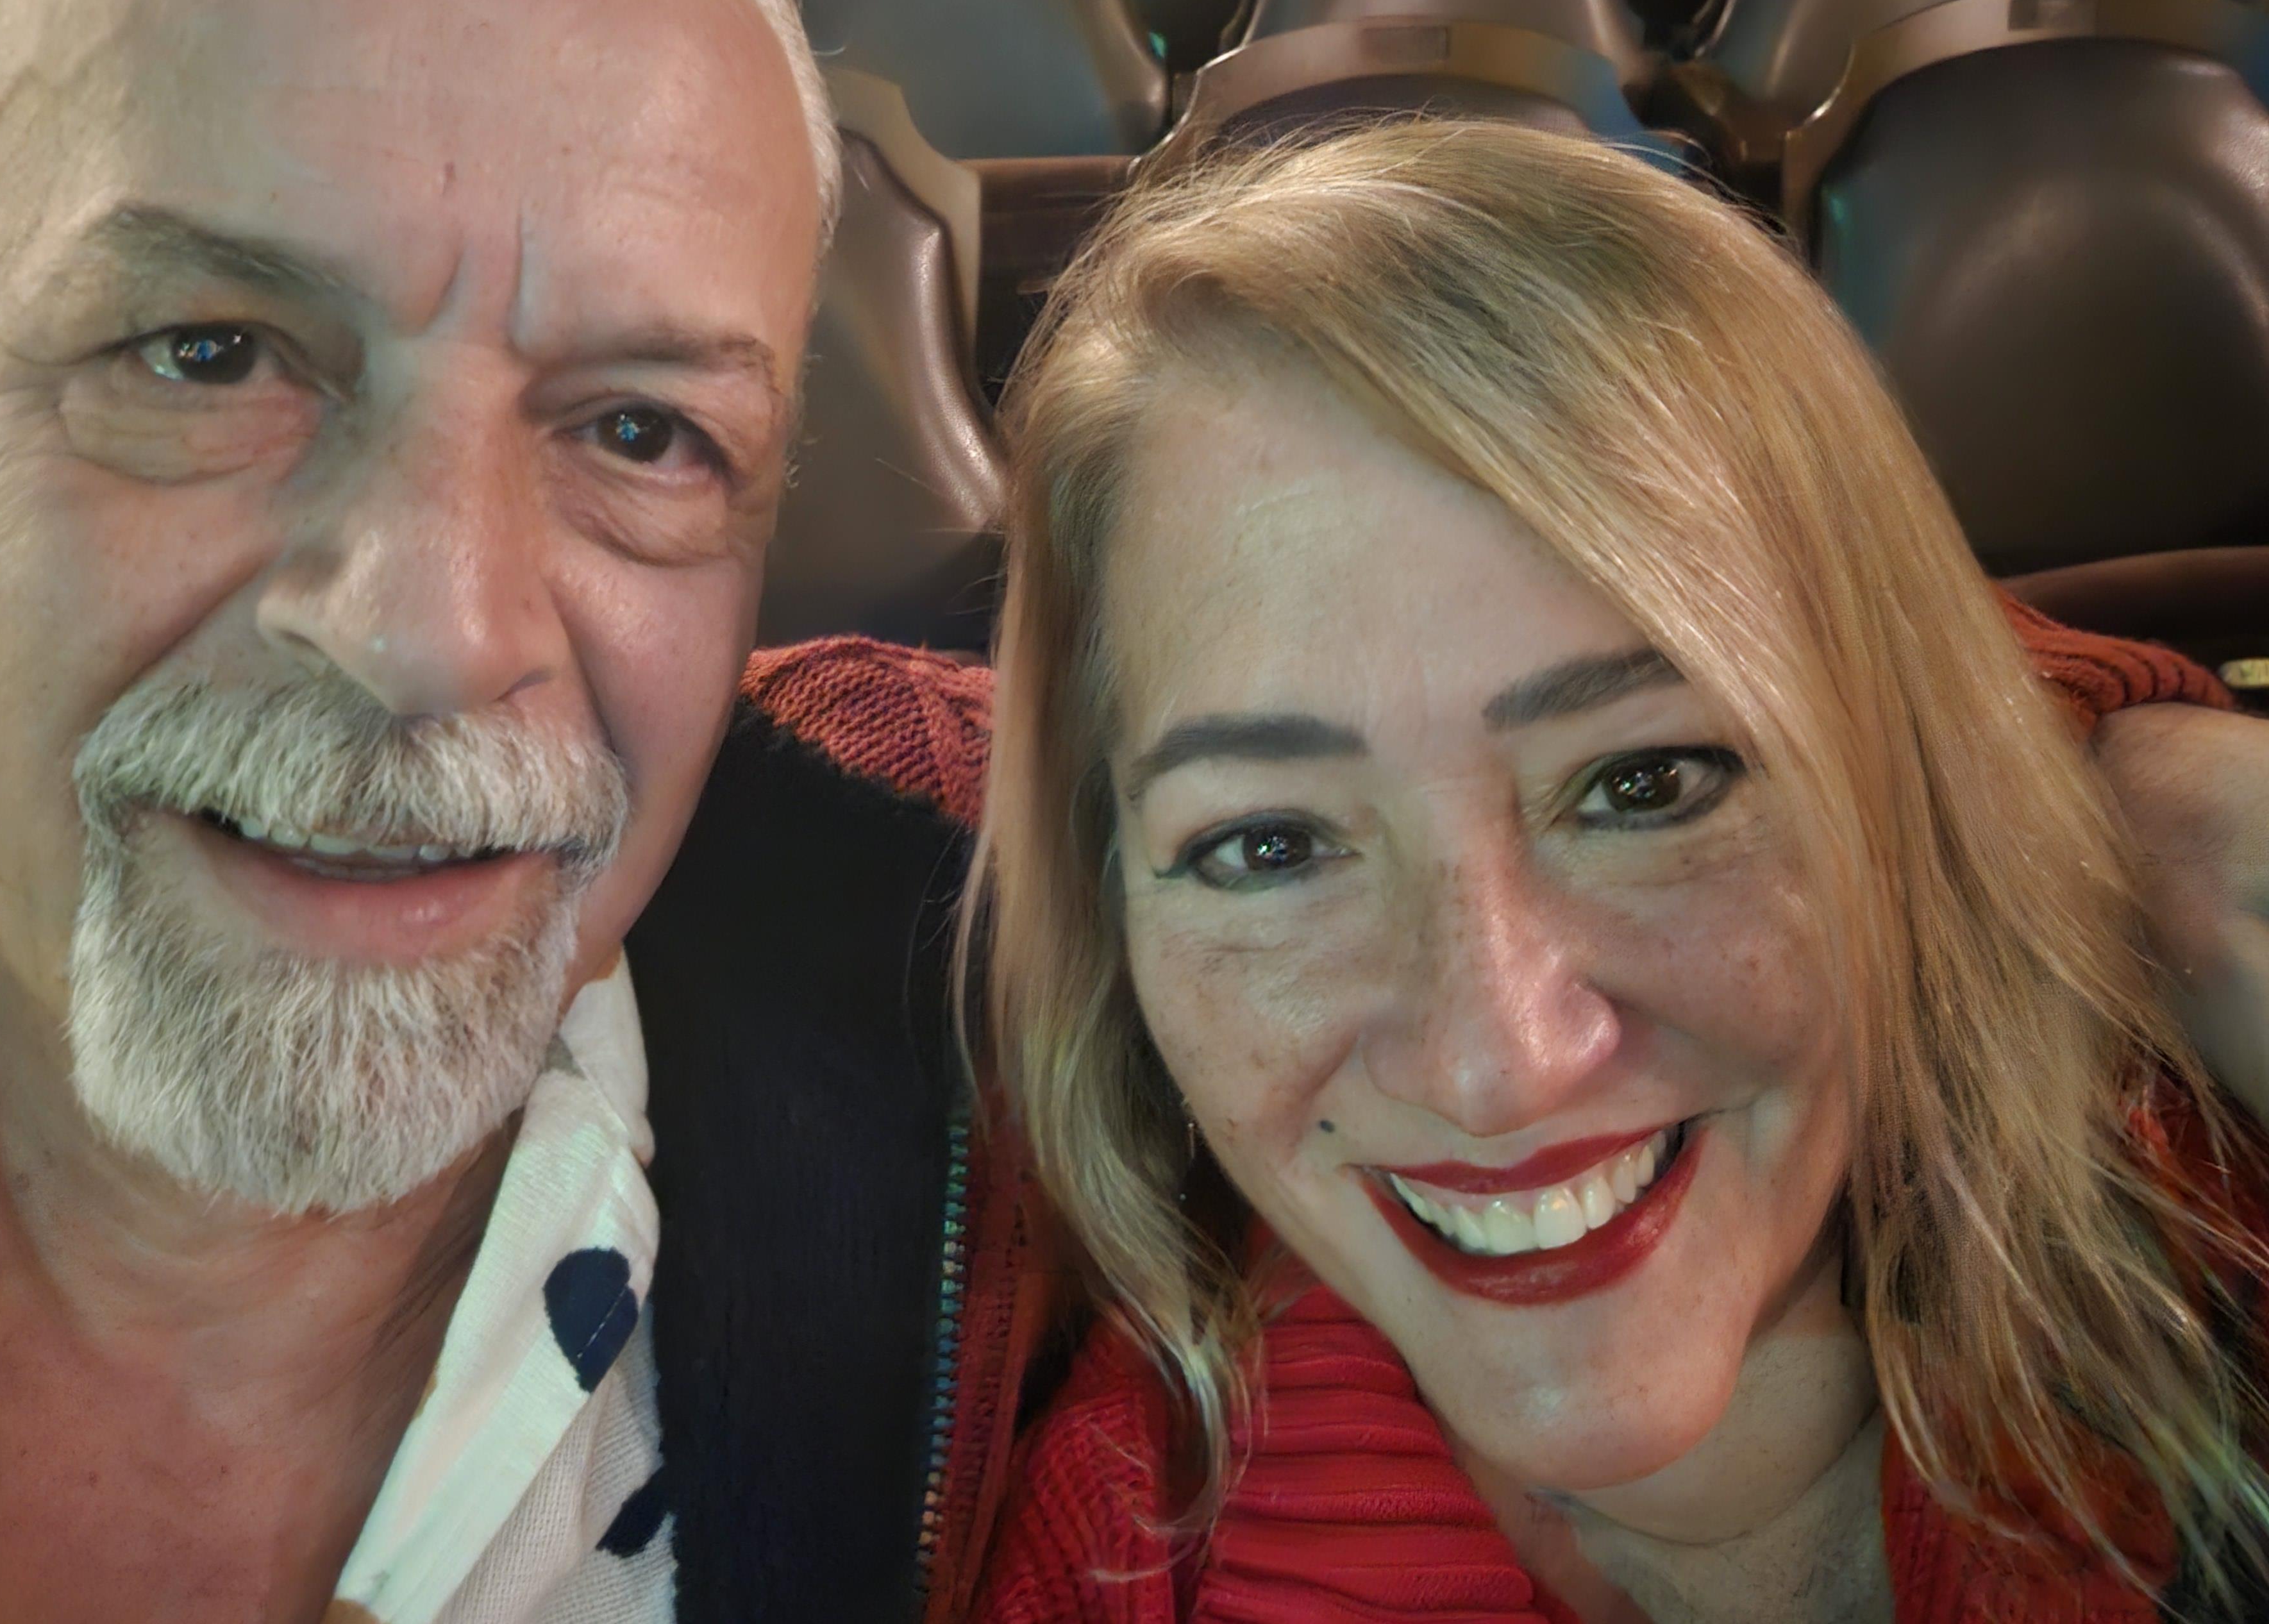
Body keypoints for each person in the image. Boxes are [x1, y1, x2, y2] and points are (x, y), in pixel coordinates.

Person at [0, 0, 2254, 1624]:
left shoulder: (889, 913)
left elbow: (1564, 659)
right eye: (208, 351)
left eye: (632, 426)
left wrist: (2144, 789)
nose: (440, 626)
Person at [970, 119, 2269, 1624]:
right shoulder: (1087, 1565)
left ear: (1906, 778)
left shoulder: (2218, 1242)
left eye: (1644, 785)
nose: (1495, 1066)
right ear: (1111, 914)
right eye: (1267, 846)